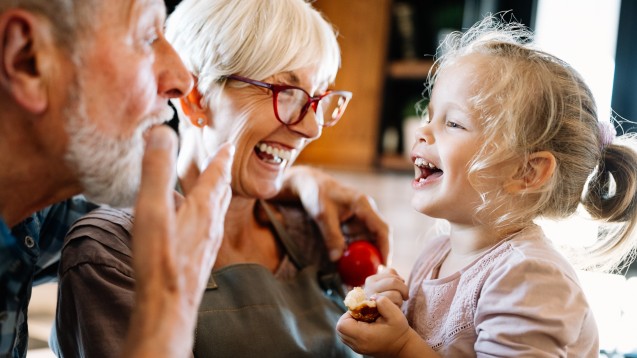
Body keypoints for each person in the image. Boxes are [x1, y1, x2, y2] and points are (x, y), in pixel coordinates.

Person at [0, 0, 388, 357]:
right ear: (198, 99)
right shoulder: (112, 246)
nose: (312, 129)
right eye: (286, 92)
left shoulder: (314, 230)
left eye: (318, 99)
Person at [336, 15, 637, 357]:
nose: (423, 131)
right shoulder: (437, 253)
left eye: (453, 123)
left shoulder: (530, 277)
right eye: (429, 114)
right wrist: (388, 315)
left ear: (527, 172)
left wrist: (401, 346)